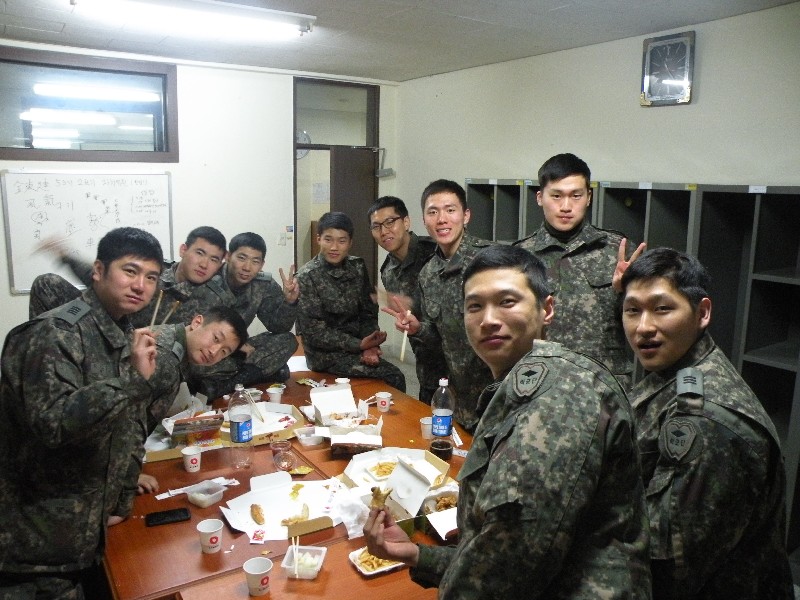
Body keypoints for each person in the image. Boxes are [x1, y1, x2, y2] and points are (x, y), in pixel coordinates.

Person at [364, 244, 651, 599]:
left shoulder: (559, 398)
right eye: (474, 306)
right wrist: (417, 555)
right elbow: (501, 552)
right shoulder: (523, 385)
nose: (488, 319)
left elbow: (505, 573)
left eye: (507, 302)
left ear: (547, 310)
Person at [0, 227, 166, 599]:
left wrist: (122, 497)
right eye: (130, 271)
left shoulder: (119, 332)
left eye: (151, 277)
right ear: (98, 271)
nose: (140, 285)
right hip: (36, 550)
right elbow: (54, 425)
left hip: (85, 535)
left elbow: (125, 425)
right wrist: (132, 382)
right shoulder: (53, 334)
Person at [619, 247, 793, 599]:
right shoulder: (678, 371)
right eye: (632, 310)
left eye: (662, 309)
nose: (644, 327)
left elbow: (666, 567)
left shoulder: (707, 421)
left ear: (702, 313)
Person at [514, 153, 644, 389]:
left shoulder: (617, 251)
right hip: (540, 382)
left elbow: (644, 321)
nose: (566, 207)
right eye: (556, 196)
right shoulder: (520, 256)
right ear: (540, 197)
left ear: (589, 197)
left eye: (576, 196)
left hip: (603, 384)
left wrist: (625, 293)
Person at [384, 179, 494, 431]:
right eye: (433, 212)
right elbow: (438, 337)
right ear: (424, 220)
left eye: (450, 210)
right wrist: (417, 329)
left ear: (466, 216)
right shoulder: (428, 274)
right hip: (457, 395)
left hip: (495, 395)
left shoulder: (491, 262)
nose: (442, 219)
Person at [29, 225, 230, 327]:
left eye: (214, 259)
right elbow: (104, 277)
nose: (204, 264)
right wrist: (66, 256)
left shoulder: (214, 300)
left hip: (146, 354)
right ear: (184, 250)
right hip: (104, 324)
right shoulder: (156, 269)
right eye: (200, 253)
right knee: (47, 283)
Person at [296, 211, 405, 391]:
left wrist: (370, 345)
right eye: (328, 239)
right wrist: (359, 345)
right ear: (318, 239)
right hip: (325, 355)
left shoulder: (358, 267)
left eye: (342, 241)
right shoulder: (306, 276)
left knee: (393, 377)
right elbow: (314, 332)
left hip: (359, 346)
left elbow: (368, 312)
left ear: (350, 243)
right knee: (393, 376)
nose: (334, 247)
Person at [188, 232, 299, 399]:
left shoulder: (263, 284)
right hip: (207, 350)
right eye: (241, 258)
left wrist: (289, 302)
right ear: (228, 256)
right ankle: (265, 372)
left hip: (235, 349)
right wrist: (238, 347)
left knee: (288, 340)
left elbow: (279, 327)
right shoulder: (207, 279)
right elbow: (189, 329)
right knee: (194, 366)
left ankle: (224, 385)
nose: (247, 267)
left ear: (262, 264)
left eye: (255, 261)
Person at [368, 196, 446, 403]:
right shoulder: (388, 271)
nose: (384, 231)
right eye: (376, 226)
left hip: (458, 359)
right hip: (427, 362)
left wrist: (414, 304)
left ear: (406, 222)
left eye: (390, 222)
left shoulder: (436, 253)